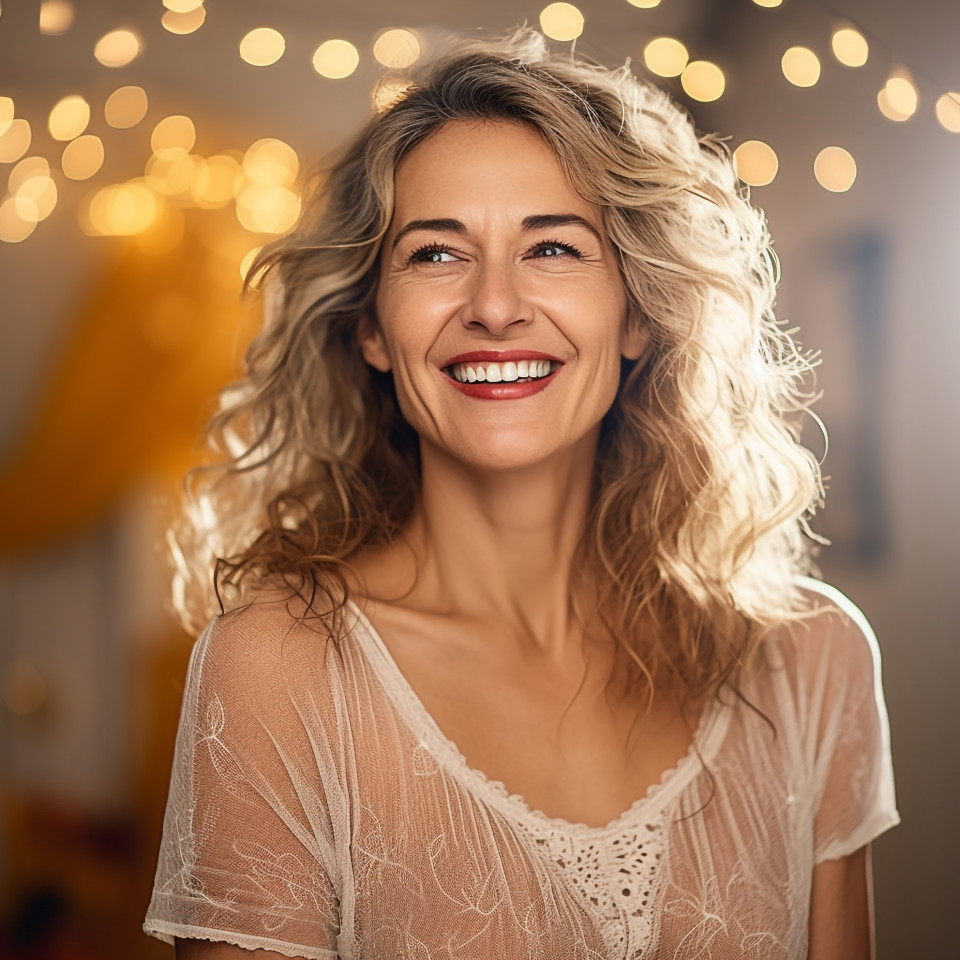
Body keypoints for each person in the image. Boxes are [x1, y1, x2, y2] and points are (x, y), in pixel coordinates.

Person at [144, 28, 898, 960]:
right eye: (435, 254)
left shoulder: (812, 661)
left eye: (552, 247)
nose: (495, 307)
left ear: (637, 312)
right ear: (371, 327)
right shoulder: (279, 669)